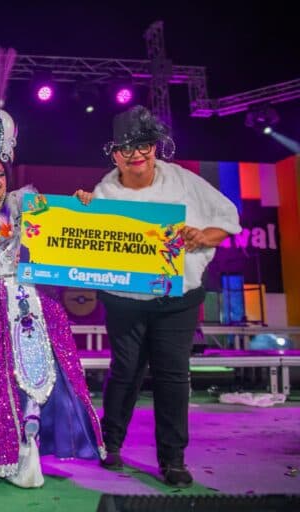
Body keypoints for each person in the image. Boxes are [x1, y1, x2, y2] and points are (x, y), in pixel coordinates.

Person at [0, 48, 104, 488]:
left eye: (0, 173)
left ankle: (26, 454)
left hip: (28, 301)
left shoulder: (27, 207)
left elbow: (66, 230)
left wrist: (84, 204)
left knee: (32, 377)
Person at [76, 105, 241, 488]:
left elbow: (227, 219)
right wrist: (82, 208)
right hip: (124, 299)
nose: (136, 155)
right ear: (114, 152)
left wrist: (203, 236)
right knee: (125, 371)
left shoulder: (183, 181)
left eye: (144, 145)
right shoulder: (105, 190)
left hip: (177, 299)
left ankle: (173, 459)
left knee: (171, 377)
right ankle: (110, 443)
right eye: (127, 148)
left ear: (156, 147)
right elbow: (87, 240)